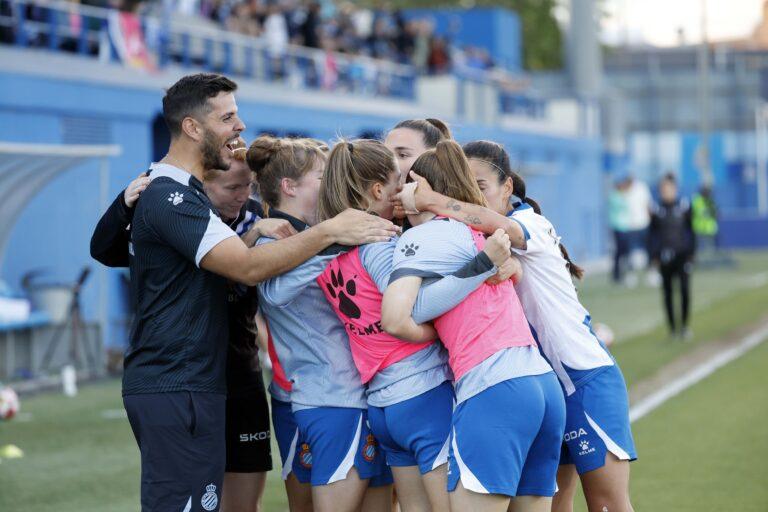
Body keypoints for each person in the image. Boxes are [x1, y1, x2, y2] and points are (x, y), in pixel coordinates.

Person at [98, 72, 397, 512]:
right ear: (193, 128)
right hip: (177, 382)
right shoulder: (170, 198)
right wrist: (332, 232)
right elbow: (249, 268)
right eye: (228, 117)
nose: (240, 127)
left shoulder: (192, 199)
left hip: (207, 383)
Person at [90, 146, 296, 512]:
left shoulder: (256, 215)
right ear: (202, 187)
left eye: (248, 187)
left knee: (243, 504)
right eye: (233, 187)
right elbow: (104, 249)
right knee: (194, 500)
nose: (243, 196)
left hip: (240, 372)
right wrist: (123, 202)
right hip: (188, 374)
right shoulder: (175, 214)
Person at [315, 139, 514, 511]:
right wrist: (438, 328)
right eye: (398, 182)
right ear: (378, 191)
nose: (405, 192)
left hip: (383, 405)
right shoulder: (382, 245)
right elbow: (404, 313)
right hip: (423, 392)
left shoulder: (330, 252)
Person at [381, 140, 565, 512]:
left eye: (404, 183)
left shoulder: (423, 236)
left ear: (421, 187)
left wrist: (475, 273)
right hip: (543, 387)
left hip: (495, 386)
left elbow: (400, 316)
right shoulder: (477, 229)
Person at [461, 140, 637, 512]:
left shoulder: (529, 222)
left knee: (607, 506)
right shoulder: (473, 237)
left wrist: (431, 201)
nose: (473, 200)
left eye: (480, 188)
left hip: (585, 380)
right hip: (541, 393)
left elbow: (504, 229)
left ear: (507, 187)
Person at [249, 136, 397, 512]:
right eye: (321, 175)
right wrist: (331, 242)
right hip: (330, 398)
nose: (330, 181)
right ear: (289, 186)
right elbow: (272, 294)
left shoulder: (314, 234)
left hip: (346, 396)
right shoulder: (278, 240)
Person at [649, 173, 696, 340]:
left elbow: (691, 231)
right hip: (664, 258)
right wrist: (653, 256)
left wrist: (691, 254)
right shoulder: (657, 209)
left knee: (684, 291)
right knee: (667, 293)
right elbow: (652, 234)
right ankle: (672, 329)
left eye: (669, 188)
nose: (666, 192)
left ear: (675, 189)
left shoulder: (684, 206)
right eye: (663, 189)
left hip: (682, 256)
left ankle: (684, 327)